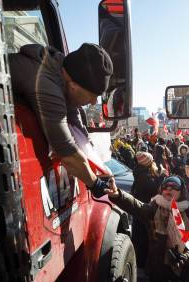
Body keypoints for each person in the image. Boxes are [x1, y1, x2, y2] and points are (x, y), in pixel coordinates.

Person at [9, 43, 112, 197]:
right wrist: (96, 184)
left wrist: (99, 168)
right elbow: (68, 153)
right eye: (92, 95)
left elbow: (79, 133)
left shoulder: (64, 79)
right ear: (74, 86)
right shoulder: (45, 82)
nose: (92, 102)